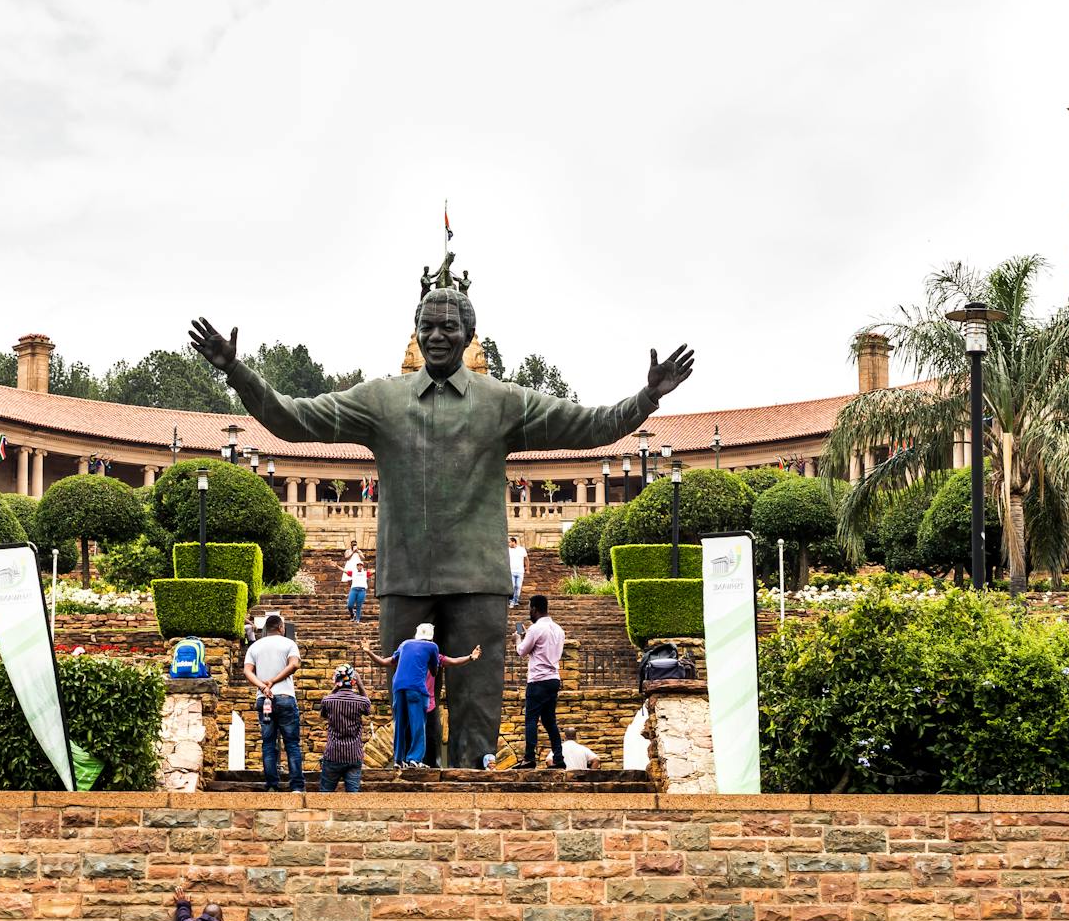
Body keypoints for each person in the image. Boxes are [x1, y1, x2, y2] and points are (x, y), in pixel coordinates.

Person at [188, 290, 694, 767]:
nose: (436, 335)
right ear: (415, 332)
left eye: (448, 327)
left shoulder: (503, 402)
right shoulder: (381, 400)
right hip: (406, 576)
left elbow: (589, 426)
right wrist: (237, 371)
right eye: (427, 326)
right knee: (409, 709)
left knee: (478, 714)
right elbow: (293, 419)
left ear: (469, 334)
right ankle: (416, 799)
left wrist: (647, 396)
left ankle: (474, 811)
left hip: (477, 579)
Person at [366, 623, 480, 767]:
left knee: (400, 724)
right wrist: (470, 657)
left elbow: (384, 662)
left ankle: (398, 759)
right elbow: (439, 666)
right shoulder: (432, 647)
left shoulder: (405, 645)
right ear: (431, 636)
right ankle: (415, 758)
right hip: (417, 689)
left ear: (416, 634)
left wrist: (368, 651)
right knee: (418, 725)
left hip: (398, 687)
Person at [243, 612, 304, 792]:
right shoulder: (289, 643)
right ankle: (297, 787)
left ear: (265, 629)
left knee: (268, 743)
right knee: (291, 743)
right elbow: (294, 665)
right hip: (285, 698)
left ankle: (271, 786)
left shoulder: (255, 647)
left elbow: (248, 672)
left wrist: (263, 686)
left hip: (265, 700)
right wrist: (274, 681)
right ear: (280, 627)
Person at [514, 594, 565, 770]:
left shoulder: (535, 629)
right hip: (553, 679)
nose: (529, 611)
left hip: (538, 680)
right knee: (550, 720)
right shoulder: (559, 629)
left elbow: (521, 651)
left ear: (534, 609)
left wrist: (518, 638)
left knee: (531, 719)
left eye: (530, 608)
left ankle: (529, 758)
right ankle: (558, 758)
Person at [318, 663, 371, 793]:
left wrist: (334, 689)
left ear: (336, 680)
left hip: (333, 754)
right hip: (353, 755)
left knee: (324, 795)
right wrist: (360, 684)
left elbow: (322, 714)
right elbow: (368, 707)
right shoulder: (361, 702)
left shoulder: (328, 701)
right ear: (353, 681)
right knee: (353, 797)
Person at [342, 542, 369, 623]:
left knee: (357, 578)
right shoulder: (348, 551)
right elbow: (346, 558)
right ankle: (352, 592)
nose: (354, 545)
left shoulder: (359, 551)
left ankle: (357, 618)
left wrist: (358, 552)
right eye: (353, 544)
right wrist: (353, 552)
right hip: (350, 565)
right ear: (350, 544)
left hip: (358, 565)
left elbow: (363, 558)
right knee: (349, 578)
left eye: (355, 544)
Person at [507, 536, 527, 607]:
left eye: (509, 542)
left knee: (518, 587)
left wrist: (527, 568)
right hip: (511, 571)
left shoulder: (522, 549)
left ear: (513, 542)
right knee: (512, 586)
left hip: (520, 572)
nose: (508, 543)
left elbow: (526, 559)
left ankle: (516, 601)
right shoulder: (507, 550)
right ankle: (511, 600)